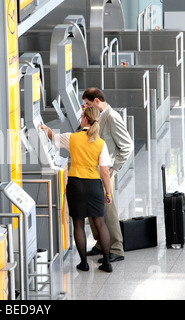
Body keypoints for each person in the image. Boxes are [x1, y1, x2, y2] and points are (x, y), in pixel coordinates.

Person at [41, 106, 113, 272]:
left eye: (82, 117)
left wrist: (45, 129)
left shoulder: (72, 138)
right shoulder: (101, 143)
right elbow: (105, 172)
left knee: (78, 224)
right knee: (100, 223)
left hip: (76, 184)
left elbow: (52, 137)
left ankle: (84, 263)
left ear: (86, 119)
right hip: (94, 185)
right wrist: (108, 192)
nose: (80, 120)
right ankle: (107, 264)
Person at [82, 87, 134, 263]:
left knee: (107, 211)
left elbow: (127, 146)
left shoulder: (111, 117)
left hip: (105, 172)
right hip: (93, 171)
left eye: (88, 104)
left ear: (97, 101)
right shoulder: (99, 117)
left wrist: (114, 169)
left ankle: (116, 248)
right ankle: (100, 244)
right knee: (93, 209)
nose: (86, 108)